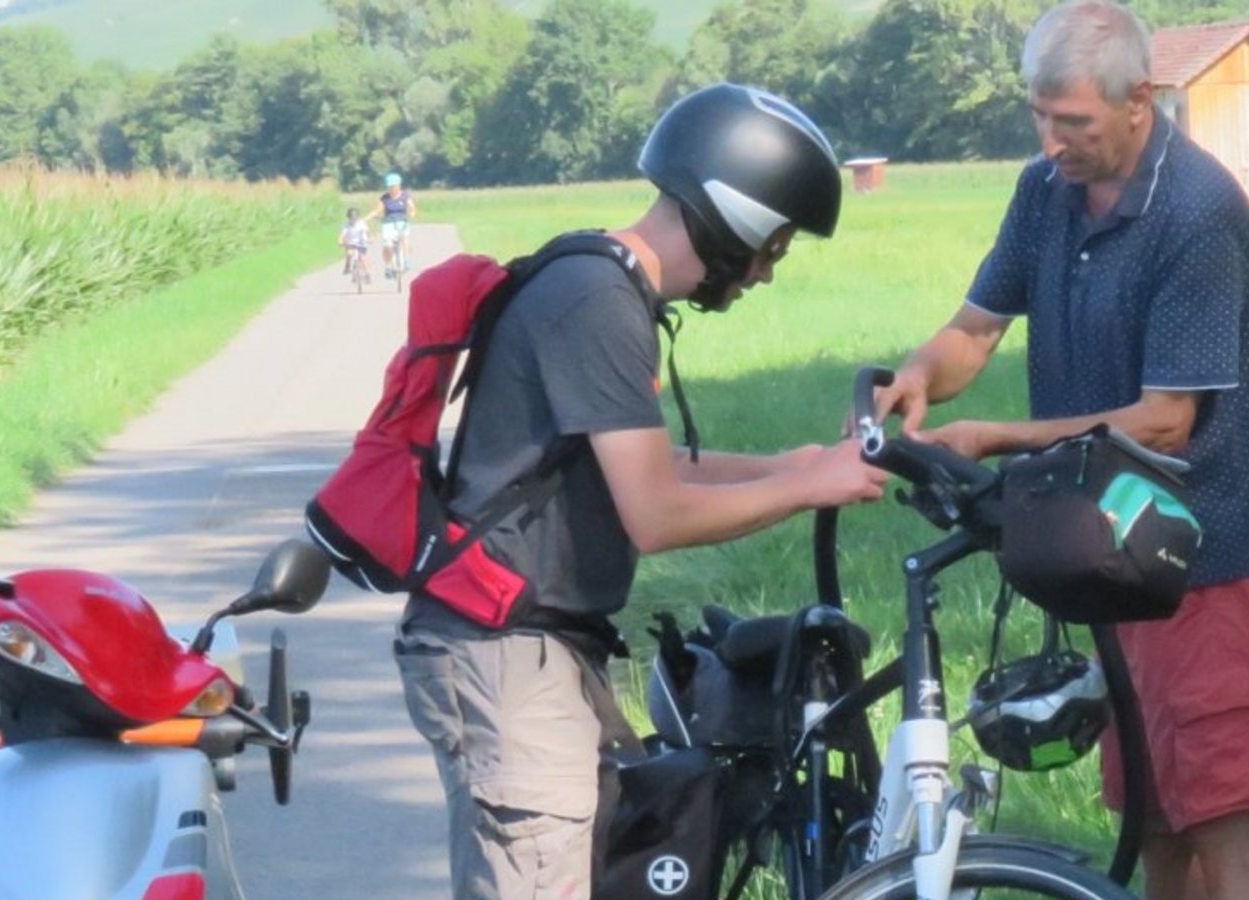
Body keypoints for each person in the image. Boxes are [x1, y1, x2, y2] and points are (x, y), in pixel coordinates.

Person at [396, 83, 889, 900]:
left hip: (533, 648)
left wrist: (786, 465)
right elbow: (657, 515)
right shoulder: (597, 303)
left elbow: (652, 467)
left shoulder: (601, 284)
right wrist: (805, 488)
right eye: (773, 247)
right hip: (505, 655)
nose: (767, 274)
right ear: (735, 220)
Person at [872, 3, 1249, 899]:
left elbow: (1164, 422)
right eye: (1039, 115)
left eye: (1073, 121)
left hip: (1205, 550)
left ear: (1139, 99)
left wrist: (997, 437)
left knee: (1221, 809)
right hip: (1105, 547)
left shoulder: (1196, 213)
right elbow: (976, 328)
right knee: (1150, 810)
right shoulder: (1045, 191)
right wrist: (916, 376)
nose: (1052, 141)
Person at [366, 171, 414, 279]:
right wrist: (366, 219)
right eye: (390, 187)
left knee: (404, 238)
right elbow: (377, 211)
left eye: (393, 186)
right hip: (388, 223)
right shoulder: (385, 198)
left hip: (402, 222)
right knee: (387, 245)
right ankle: (388, 266)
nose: (392, 189)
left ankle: (407, 260)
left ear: (399, 185)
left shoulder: (405, 196)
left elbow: (412, 208)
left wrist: (411, 214)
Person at [338, 207, 370, 278]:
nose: (353, 219)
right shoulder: (346, 224)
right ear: (349, 217)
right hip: (351, 242)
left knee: (362, 257)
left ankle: (367, 273)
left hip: (361, 242)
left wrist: (370, 238)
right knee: (349, 253)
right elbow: (342, 234)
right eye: (352, 218)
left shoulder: (361, 223)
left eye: (355, 217)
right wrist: (340, 240)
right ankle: (347, 266)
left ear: (358, 217)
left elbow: (368, 232)